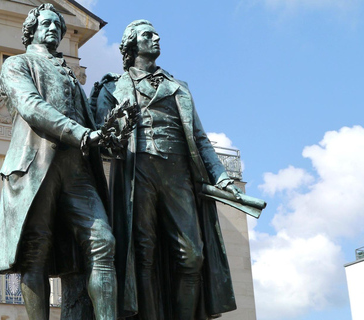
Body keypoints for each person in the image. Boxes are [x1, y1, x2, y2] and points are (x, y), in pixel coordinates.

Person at [95, 20, 241, 319]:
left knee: (193, 257)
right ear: (132, 44)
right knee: (143, 254)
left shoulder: (178, 88)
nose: (157, 37)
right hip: (139, 174)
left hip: (179, 175)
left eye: (156, 33)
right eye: (148, 34)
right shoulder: (111, 86)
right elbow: (101, 137)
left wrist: (222, 176)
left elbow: (199, 138)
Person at [0, 4, 117, 320]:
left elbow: (91, 126)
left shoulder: (73, 78)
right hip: (35, 164)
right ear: (31, 29)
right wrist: (82, 134)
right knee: (35, 254)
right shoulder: (16, 65)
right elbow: (32, 106)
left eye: (59, 27)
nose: (54, 30)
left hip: (77, 167)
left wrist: (106, 134)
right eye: (48, 23)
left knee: (103, 241)